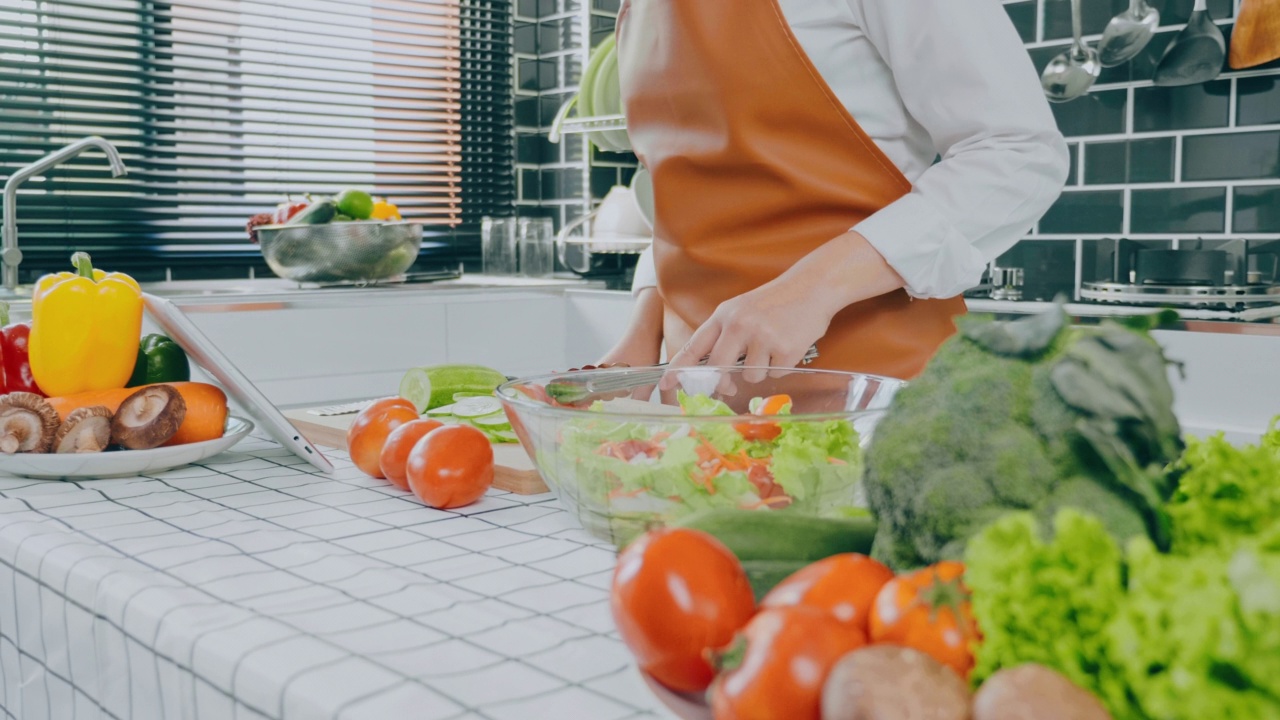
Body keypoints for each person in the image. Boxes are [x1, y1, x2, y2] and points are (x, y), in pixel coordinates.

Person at [599, 0, 1069, 382]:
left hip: (873, 394)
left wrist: (813, 289)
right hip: (700, 398)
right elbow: (682, 194)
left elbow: (1020, 153)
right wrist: (645, 327)